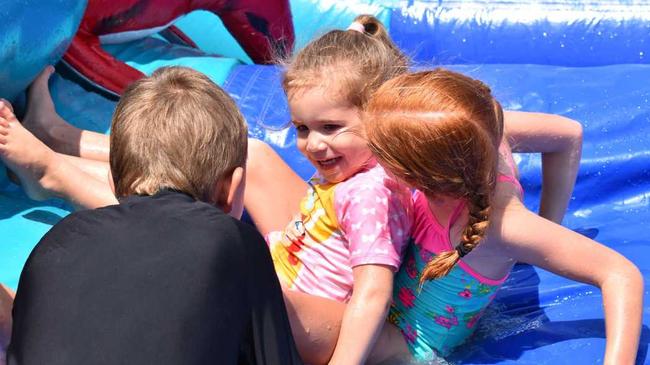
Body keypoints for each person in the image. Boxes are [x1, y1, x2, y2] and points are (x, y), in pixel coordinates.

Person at [2, 16, 585, 365]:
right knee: (247, 154)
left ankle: (54, 173)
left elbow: (370, 294)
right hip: (300, 254)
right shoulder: (372, 159)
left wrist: (544, 232)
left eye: (330, 129)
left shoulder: (388, 181)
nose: (309, 146)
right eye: (303, 128)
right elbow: (561, 135)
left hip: (316, 304)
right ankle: (64, 139)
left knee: (203, 245)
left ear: (383, 118)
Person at [2, 66, 303, 365]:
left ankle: (53, 157)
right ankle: (52, 158)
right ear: (232, 188)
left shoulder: (55, 243)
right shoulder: (235, 243)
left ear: (110, 180)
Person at [361, 69, 644, 363]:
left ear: (419, 174)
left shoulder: (501, 224)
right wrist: (551, 221)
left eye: (376, 153)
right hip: (389, 312)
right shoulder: (474, 129)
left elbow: (620, 274)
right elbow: (569, 133)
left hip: (410, 346)